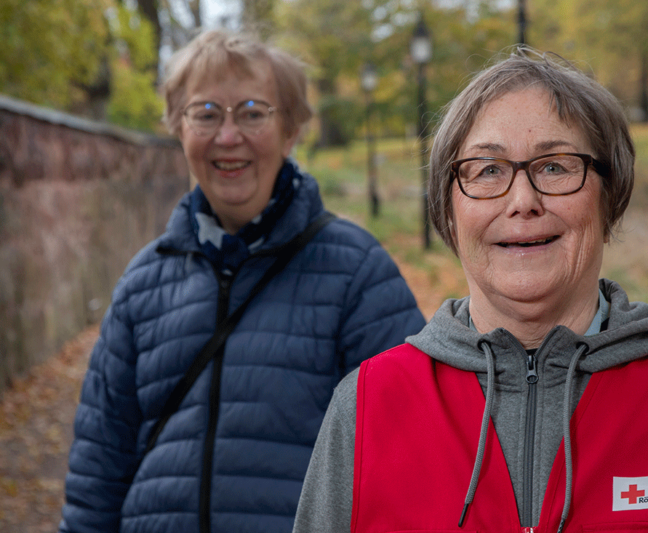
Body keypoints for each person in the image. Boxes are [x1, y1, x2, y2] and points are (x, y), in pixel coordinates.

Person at [293, 47, 648, 533]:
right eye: (487, 170)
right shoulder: (367, 408)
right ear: (448, 210)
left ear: (610, 196)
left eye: (555, 166)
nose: (522, 200)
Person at [59, 29, 426, 533]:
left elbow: (410, 462)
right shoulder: (142, 284)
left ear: (291, 129)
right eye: (206, 113)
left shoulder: (357, 273)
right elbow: (98, 471)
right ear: (177, 128)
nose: (228, 137)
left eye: (253, 112)